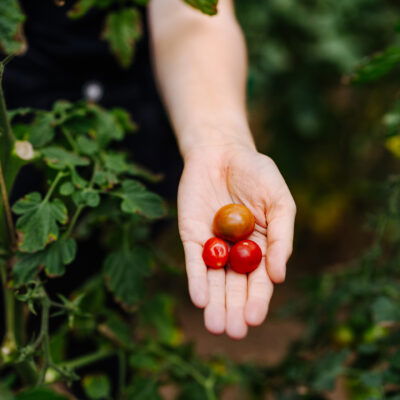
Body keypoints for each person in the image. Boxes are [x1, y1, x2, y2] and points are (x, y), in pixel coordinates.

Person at [5, 0, 296, 340]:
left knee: (97, 329)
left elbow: (191, 13)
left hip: (125, 125)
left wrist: (219, 140)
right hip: (14, 105)